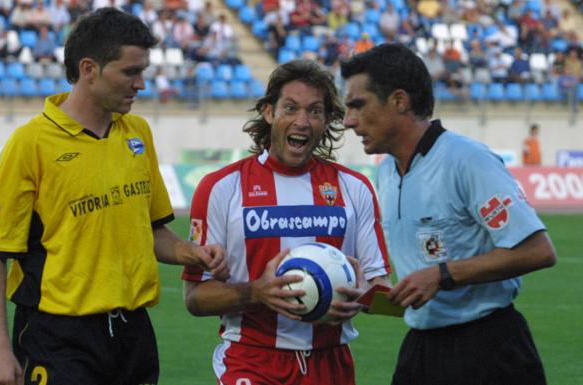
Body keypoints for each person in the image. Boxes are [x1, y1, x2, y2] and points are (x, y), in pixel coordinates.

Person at [0, 8, 228, 385]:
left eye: (143, 72)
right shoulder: (30, 143)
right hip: (58, 336)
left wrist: (191, 252)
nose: (141, 84)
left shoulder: (138, 133)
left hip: (133, 333)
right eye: (131, 72)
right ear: (89, 69)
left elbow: (151, 230)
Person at [340, 43, 557, 385]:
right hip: (421, 348)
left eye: (357, 105)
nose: (348, 121)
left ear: (399, 101)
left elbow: (539, 251)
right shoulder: (386, 173)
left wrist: (443, 274)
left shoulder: (467, 160)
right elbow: (420, 277)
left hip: (489, 348)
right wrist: (370, 293)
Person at [182, 59, 391, 385]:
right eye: (291, 109)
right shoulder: (221, 188)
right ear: (269, 112)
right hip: (252, 360)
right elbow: (195, 298)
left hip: (331, 364)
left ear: (327, 120)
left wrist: (362, 296)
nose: (303, 122)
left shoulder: (355, 189)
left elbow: (379, 287)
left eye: (315, 111)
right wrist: (256, 292)